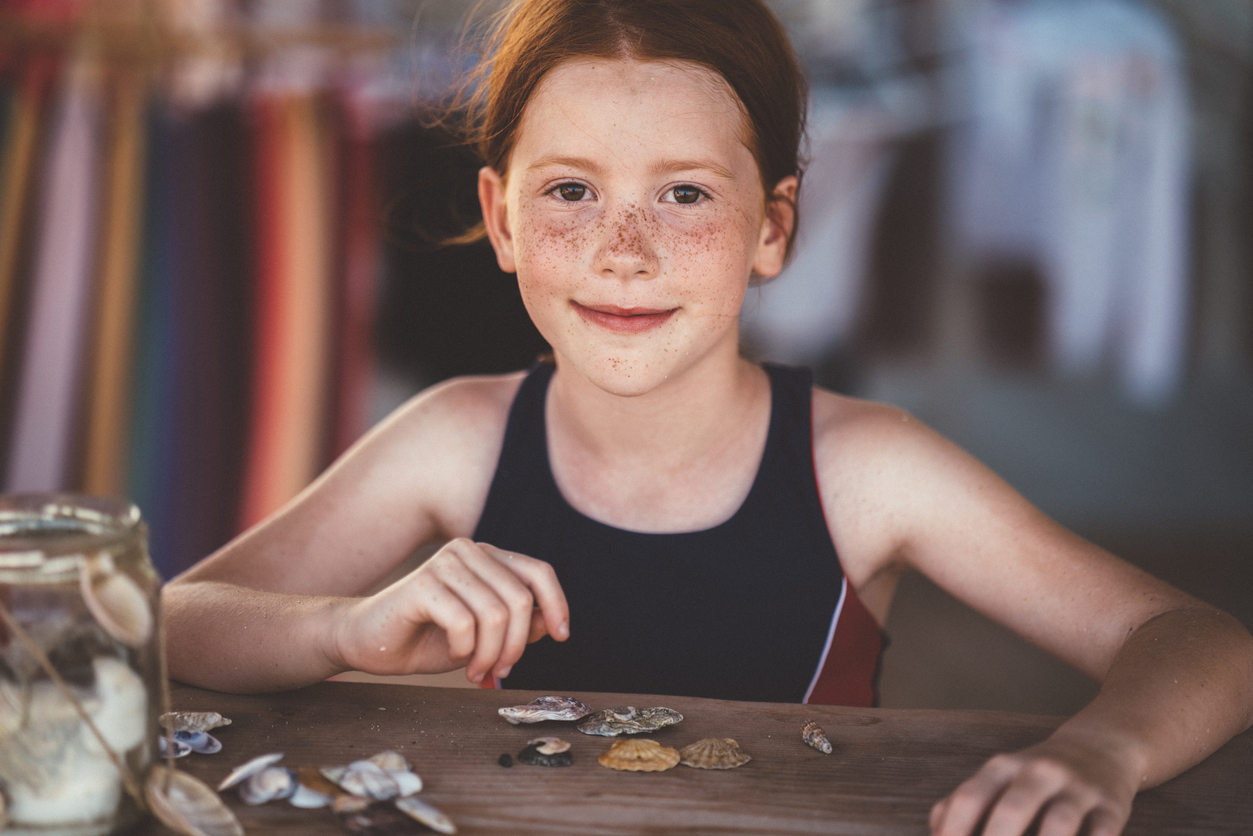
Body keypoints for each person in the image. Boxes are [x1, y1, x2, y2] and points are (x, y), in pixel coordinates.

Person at [162, 1, 1253, 834]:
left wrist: (1106, 747)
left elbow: (1203, 641)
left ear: (771, 227)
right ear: (499, 217)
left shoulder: (865, 468)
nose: (620, 249)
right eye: (570, 191)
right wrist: (341, 629)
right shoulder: (457, 433)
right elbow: (167, 620)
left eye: (682, 193)